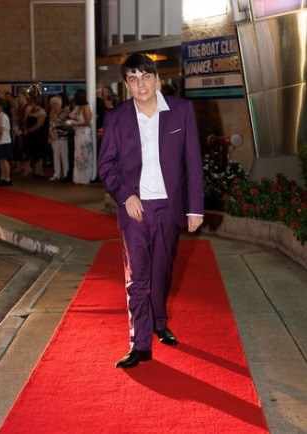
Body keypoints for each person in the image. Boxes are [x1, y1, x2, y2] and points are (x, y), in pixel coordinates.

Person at [98, 53, 204, 368]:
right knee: (137, 276)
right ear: (126, 84)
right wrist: (125, 196)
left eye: (146, 77)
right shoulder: (117, 117)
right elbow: (106, 165)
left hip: (169, 207)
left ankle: (159, 320)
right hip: (135, 207)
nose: (140, 84)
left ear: (157, 79)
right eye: (133, 79)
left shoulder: (181, 111)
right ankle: (140, 343)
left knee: (162, 270)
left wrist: (195, 208)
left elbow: (193, 162)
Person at [68, 89, 93, 184]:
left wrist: (75, 124)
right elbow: (72, 116)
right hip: (78, 133)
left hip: (84, 133)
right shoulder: (78, 108)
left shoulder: (86, 107)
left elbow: (87, 122)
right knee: (78, 155)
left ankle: (85, 177)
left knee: (84, 155)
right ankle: (78, 177)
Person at [24, 96, 48, 177]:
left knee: (39, 153)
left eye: (31, 103)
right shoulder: (31, 111)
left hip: (39, 135)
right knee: (34, 153)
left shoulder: (42, 112)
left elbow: (39, 125)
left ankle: (40, 171)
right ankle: (36, 171)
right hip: (32, 135)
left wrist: (29, 130)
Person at [0, 98, 13, 186]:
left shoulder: (3, 116)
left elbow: (1, 130)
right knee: (1, 160)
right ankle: (3, 177)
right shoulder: (1, 116)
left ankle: (7, 178)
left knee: (4, 160)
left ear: (0, 107)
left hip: (4, 141)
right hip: (1, 141)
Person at [48, 96, 69, 181]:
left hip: (62, 137)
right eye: (53, 104)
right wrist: (50, 134)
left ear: (60, 104)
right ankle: (57, 173)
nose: (54, 105)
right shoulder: (51, 113)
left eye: (56, 103)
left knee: (64, 156)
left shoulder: (64, 113)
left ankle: (66, 174)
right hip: (53, 137)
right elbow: (50, 125)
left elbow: (65, 124)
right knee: (55, 156)